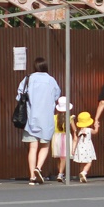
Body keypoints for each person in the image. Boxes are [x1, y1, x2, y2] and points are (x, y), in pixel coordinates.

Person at [19, 57, 62, 185]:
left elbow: (19, 95)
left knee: (33, 147)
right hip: (46, 119)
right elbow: (57, 95)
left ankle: (32, 176)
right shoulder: (51, 80)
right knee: (45, 145)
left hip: (31, 118)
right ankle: (38, 167)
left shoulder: (28, 79)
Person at [72, 111, 97, 182]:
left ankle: (81, 177)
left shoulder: (78, 131)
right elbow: (95, 132)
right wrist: (97, 127)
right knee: (89, 161)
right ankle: (84, 173)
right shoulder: (89, 130)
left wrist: (73, 149)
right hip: (88, 148)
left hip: (80, 148)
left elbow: (75, 140)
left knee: (82, 163)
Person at [52, 97, 73, 182]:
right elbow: (74, 129)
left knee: (58, 156)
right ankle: (60, 174)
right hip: (66, 137)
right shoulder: (70, 118)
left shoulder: (54, 117)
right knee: (64, 157)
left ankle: (60, 173)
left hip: (56, 137)